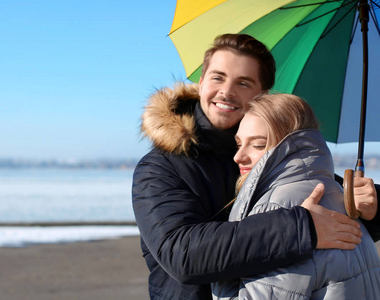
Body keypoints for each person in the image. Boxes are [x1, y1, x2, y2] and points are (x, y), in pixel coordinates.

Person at [132, 34, 379, 300]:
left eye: (243, 82)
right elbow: (182, 254)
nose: (227, 91)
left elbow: (330, 210)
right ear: (201, 83)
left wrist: (372, 207)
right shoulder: (160, 168)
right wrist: (301, 228)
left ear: (261, 95)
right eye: (218, 77)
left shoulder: (274, 157)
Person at [211, 93, 380, 299]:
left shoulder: (280, 206)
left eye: (257, 145)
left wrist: (220, 271)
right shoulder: (337, 194)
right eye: (239, 144)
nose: (238, 156)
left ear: (289, 147)